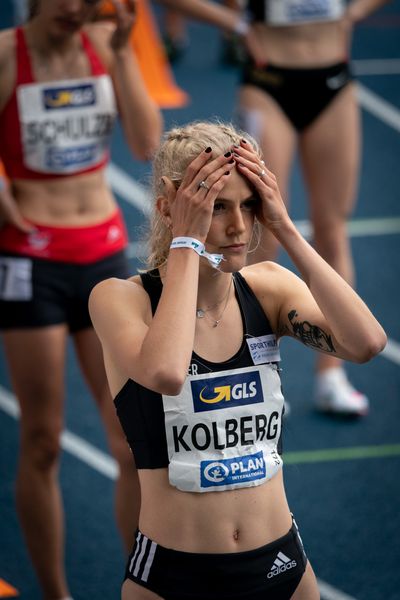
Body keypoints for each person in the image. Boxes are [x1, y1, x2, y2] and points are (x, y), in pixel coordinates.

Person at [89, 121, 386, 600]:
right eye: (216, 208)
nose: (240, 228)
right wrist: (186, 240)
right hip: (173, 576)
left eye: (250, 206)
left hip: (281, 564)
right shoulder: (121, 300)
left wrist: (285, 228)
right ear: (170, 207)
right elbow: (165, 372)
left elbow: (367, 343)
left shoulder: (267, 288)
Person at [156, 0, 390, 417]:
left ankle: (330, 376)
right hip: (268, 81)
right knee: (252, 231)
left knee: (332, 228)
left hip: (333, 80)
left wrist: (353, 12)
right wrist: (235, 21)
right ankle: (240, 364)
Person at [0, 0, 162, 598]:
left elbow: (146, 144)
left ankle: (143, 584)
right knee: (42, 439)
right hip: (29, 260)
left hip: (101, 258)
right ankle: (55, 592)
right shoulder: (6, 55)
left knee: (130, 438)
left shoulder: (103, 40)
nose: (75, 9)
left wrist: (121, 54)